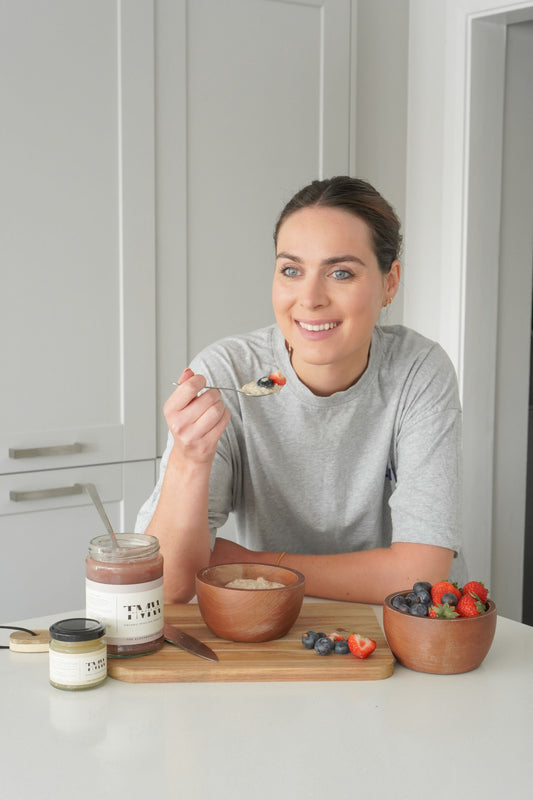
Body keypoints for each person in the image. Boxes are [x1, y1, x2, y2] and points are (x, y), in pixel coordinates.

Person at [135, 176, 466, 604]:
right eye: (292, 270)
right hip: (275, 626)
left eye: (341, 273)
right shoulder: (225, 372)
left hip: (399, 635)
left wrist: (253, 566)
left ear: (390, 283)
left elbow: (419, 575)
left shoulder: (419, 372)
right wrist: (188, 458)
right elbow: (170, 585)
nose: (310, 299)